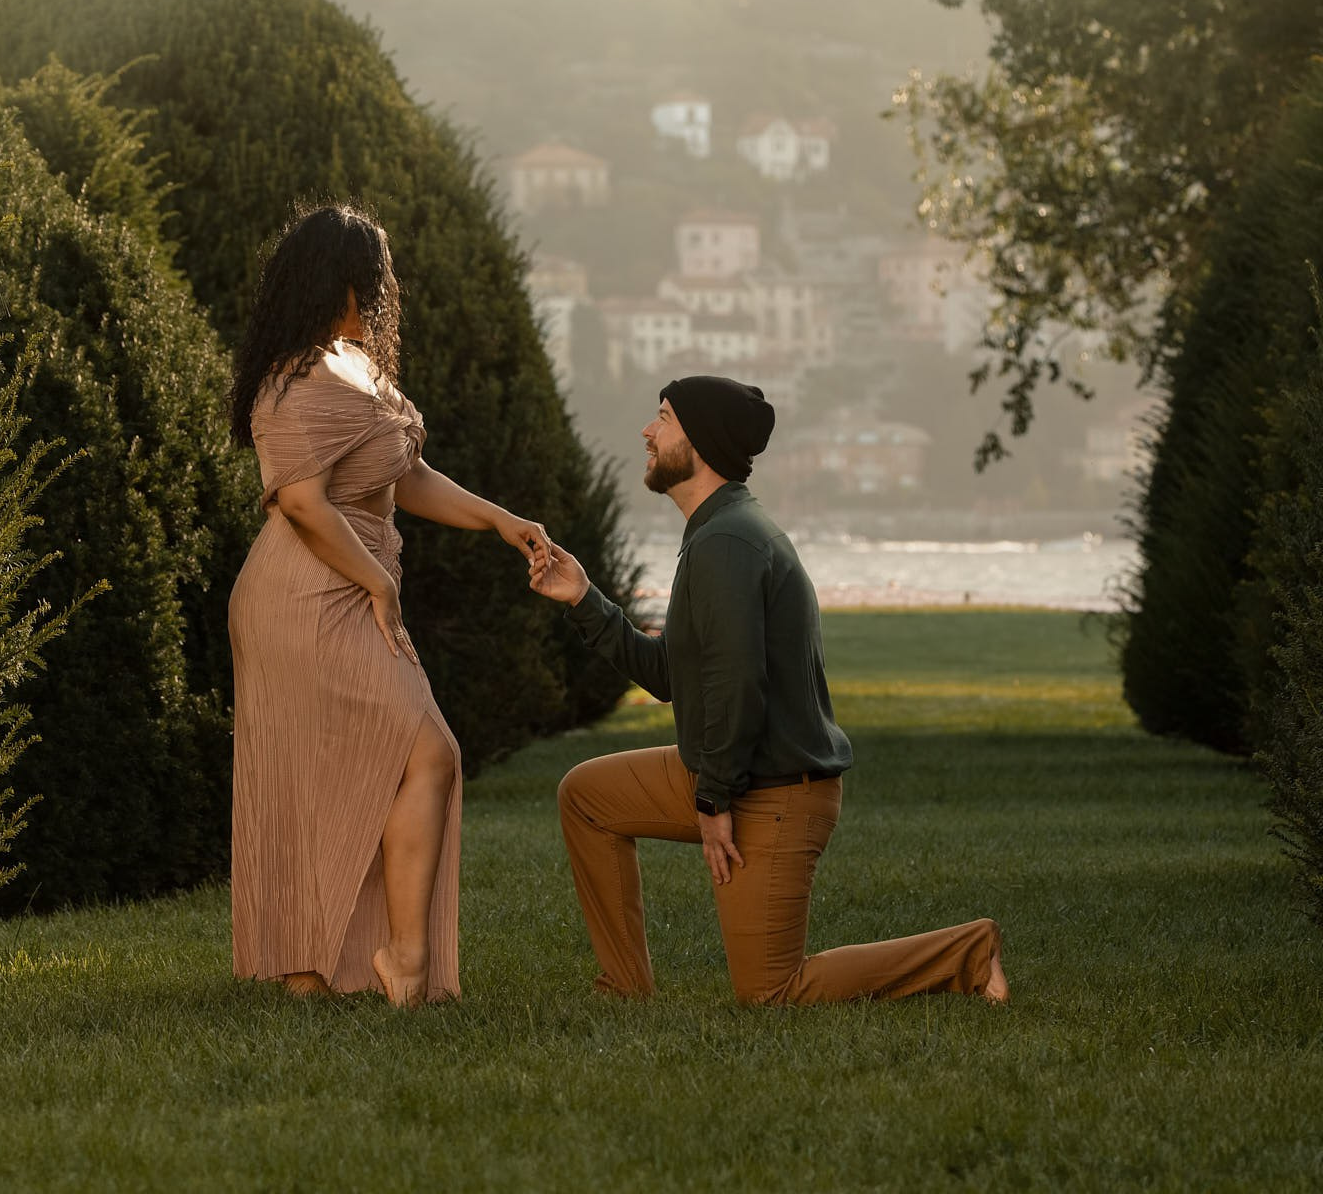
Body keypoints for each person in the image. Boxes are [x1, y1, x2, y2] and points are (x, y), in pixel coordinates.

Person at [529, 375, 1007, 1005]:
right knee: (588, 797)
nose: (648, 430)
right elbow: (674, 676)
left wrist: (714, 801)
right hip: (728, 772)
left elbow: (737, 682)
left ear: (700, 442)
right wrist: (585, 600)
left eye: (664, 418)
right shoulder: (715, 531)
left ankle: (965, 953)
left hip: (774, 791)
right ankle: (624, 989)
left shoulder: (728, 540)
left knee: (772, 993)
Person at [227, 204, 549, 1008]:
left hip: (350, 586)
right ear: (334, 281)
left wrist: (502, 521)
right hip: (304, 594)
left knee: (397, 757)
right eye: (371, 278)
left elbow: (404, 477)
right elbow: (301, 502)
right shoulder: (292, 382)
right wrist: (376, 579)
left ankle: (364, 963)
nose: (381, 293)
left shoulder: (353, 367)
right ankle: (343, 964)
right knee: (395, 755)